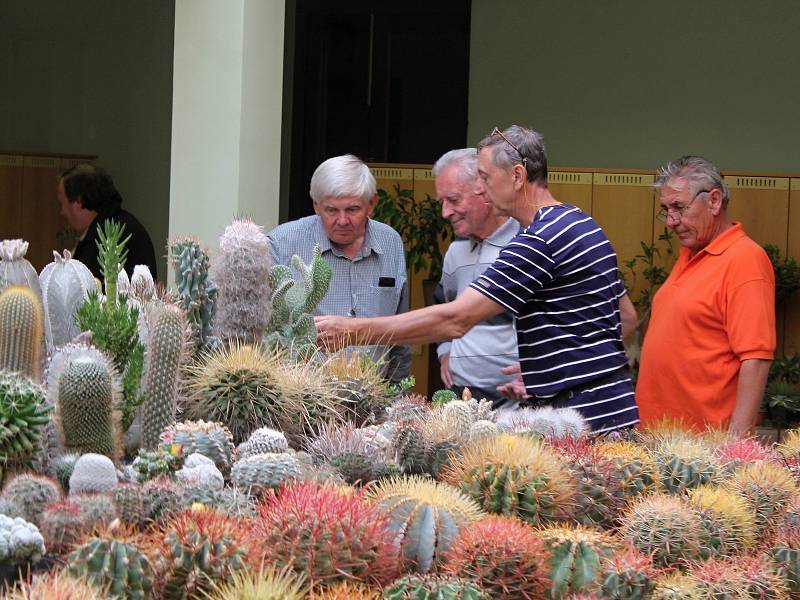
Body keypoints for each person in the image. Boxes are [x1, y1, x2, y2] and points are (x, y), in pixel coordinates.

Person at [316, 126, 639, 433]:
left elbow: (455, 320)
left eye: (484, 177)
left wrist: (352, 330)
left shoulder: (539, 240)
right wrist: (545, 373)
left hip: (582, 418)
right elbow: (625, 317)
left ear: (517, 176)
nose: (481, 188)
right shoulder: (579, 221)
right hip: (613, 407)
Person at [636, 156, 775, 434]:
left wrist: (737, 445)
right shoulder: (691, 253)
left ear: (713, 201)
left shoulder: (745, 259)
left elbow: (756, 359)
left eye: (679, 207)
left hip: (704, 447)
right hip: (660, 438)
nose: (671, 221)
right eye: (666, 209)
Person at [268, 154, 411, 383]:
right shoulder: (283, 243)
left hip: (372, 397)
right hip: (305, 398)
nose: (342, 220)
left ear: (371, 204)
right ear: (316, 205)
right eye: (331, 210)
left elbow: (400, 334)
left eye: (352, 209)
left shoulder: (390, 242)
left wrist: (398, 397)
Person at [433, 148, 520, 410]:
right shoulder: (455, 252)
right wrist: (444, 351)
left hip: (518, 405)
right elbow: (442, 306)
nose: (445, 212)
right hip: (463, 398)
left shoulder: (528, 244)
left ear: (483, 189)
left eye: (454, 199)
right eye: (442, 202)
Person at [58, 163, 158, 281]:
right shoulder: (127, 224)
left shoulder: (102, 238)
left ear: (79, 201)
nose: (62, 212)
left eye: (62, 204)